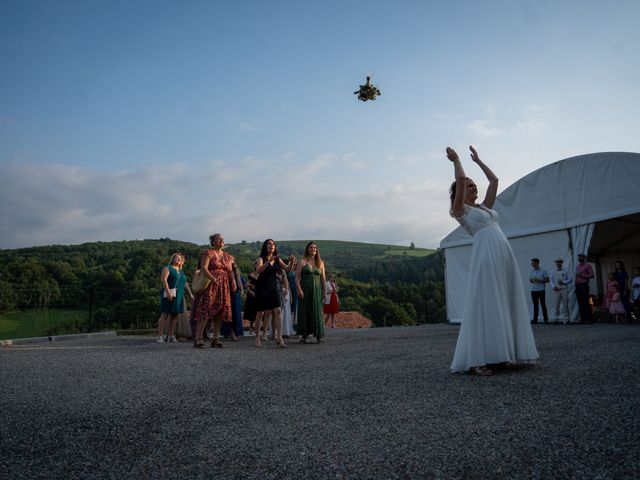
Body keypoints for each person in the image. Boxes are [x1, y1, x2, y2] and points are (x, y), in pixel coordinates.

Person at [447, 145, 538, 375]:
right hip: (485, 254)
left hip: (503, 254)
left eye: (473, 184)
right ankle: (478, 360)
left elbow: (494, 181)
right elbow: (458, 178)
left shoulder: (485, 208)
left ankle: (503, 355)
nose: (473, 186)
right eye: (469, 185)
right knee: (487, 301)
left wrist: (478, 161)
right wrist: (457, 160)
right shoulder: (461, 210)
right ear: (460, 191)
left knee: (503, 300)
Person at [193, 234, 236, 348]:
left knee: (220, 311)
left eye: (222, 238)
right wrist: (212, 278)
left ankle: (215, 338)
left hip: (224, 285)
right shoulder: (208, 253)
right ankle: (198, 338)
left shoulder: (227, 256)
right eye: (218, 238)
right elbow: (204, 267)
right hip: (211, 283)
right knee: (205, 309)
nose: (221, 240)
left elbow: (230, 270)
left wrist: (234, 282)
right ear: (213, 242)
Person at [253, 239, 294, 348]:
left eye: (273, 244)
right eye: (269, 244)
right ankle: (257, 338)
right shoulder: (260, 259)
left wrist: (291, 262)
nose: (272, 245)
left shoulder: (277, 259)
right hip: (262, 288)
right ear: (265, 247)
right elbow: (259, 271)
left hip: (273, 287)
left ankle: (279, 337)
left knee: (278, 310)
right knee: (260, 313)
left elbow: (288, 269)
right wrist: (268, 261)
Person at [157, 253, 194, 343]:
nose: (178, 259)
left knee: (175, 315)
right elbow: (164, 280)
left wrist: (190, 294)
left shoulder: (181, 272)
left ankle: (171, 335)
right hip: (168, 294)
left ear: (182, 261)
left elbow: (185, 283)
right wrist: (169, 292)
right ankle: (160, 336)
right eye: (176, 257)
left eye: (180, 258)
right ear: (172, 259)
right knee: (164, 315)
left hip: (179, 296)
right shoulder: (167, 268)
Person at [296, 241, 326, 344]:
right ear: (307, 249)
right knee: (305, 311)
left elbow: (323, 279)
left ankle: (319, 336)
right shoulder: (302, 261)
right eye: (311, 248)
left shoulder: (320, 263)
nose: (313, 249)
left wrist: (325, 292)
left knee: (317, 312)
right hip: (305, 290)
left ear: (317, 250)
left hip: (317, 291)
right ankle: (304, 336)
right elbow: (296, 278)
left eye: (314, 248)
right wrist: (299, 289)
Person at [221, 262, 244, 340]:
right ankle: (230, 332)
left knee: (236, 314)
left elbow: (240, 284)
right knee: (228, 313)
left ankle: (234, 332)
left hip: (235, 294)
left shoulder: (236, 272)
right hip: (228, 293)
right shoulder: (225, 273)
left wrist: (241, 291)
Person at [549, 258, 572, 324]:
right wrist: (553, 286)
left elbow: (570, 279)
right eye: (557, 262)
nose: (558, 263)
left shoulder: (566, 270)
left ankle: (566, 319)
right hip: (556, 290)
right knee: (556, 305)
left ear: (562, 262)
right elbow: (551, 280)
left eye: (559, 262)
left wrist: (564, 282)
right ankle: (556, 319)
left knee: (565, 304)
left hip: (564, 289)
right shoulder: (553, 270)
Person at [575, 253, 594, 324]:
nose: (579, 258)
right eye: (579, 257)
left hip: (584, 285)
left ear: (584, 257)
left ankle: (588, 319)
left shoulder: (588, 265)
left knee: (585, 302)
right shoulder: (577, 267)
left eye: (581, 257)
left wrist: (582, 275)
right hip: (578, 286)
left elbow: (592, 275)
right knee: (580, 303)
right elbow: (576, 277)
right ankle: (582, 319)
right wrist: (575, 285)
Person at [529, 258, 549, 324]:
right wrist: (531, 280)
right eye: (532, 263)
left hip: (541, 290)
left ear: (537, 263)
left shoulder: (543, 270)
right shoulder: (532, 271)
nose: (531, 264)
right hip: (534, 290)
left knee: (543, 304)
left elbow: (547, 280)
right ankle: (535, 320)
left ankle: (546, 319)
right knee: (535, 305)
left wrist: (540, 280)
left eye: (533, 263)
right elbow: (530, 280)